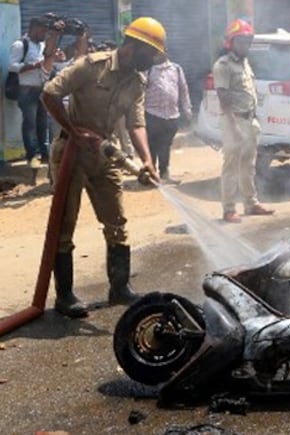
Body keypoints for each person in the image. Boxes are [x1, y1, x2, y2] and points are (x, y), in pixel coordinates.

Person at [40, 17, 165, 318]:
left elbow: (136, 123)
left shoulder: (137, 80)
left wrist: (146, 160)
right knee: (65, 224)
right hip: (70, 151)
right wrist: (73, 129)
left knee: (117, 222)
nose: (149, 63)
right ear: (134, 46)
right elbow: (49, 94)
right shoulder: (90, 66)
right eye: (148, 56)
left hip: (104, 153)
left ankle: (119, 288)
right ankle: (65, 296)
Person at [212, 19, 274, 223]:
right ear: (231, 42)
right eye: (241, 41)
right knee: (231, 167)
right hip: (234, 122)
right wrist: (233, 127)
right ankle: (228, 209)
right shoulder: (223, 65)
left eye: (248, 41)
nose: (245, 45)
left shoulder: (245, 63)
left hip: (249, 121)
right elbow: (223, 98)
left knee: (248, 165)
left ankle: (251, 203)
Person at [7, 16, 53, 168]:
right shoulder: (20, 45)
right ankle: (32, 155)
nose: (44, 34)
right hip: (26, 90)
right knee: (30, 123)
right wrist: (33, 65)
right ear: (34, 28)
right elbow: (12, 66)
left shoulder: (42, 45)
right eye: (42, 31)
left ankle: (45, 154)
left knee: (43, 123)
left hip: (41, 89)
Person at [144, 55, 192, 183]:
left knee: (165, 145)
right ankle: (151, 174)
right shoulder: (149, 70)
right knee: (152, 145)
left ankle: (164, 173)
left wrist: (187, 110)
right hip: (152, 114)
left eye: (159, 51)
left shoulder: (176, 69)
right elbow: (141, 92)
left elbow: (183, 90)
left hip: (171, 115)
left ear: (165, 52)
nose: (157, 55)